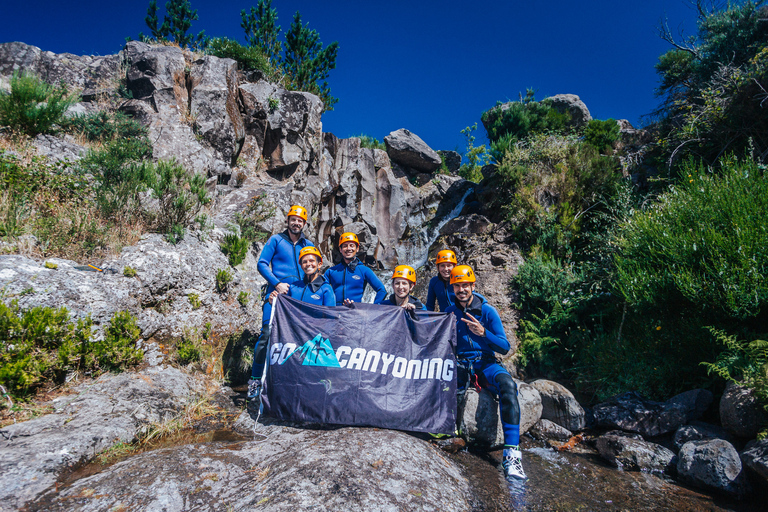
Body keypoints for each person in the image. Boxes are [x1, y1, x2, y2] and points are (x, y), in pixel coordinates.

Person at [444, 265, 526, 480]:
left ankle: (512, 455)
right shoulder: (450, 313)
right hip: (461, 364)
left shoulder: (488, 311)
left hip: (486, 364)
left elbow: (504, 347)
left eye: (465, 285)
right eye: (457, 286)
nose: (461, 290)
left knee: (509, 387)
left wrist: (484, 333)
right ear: (452, 288)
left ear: (473, 286)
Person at [248, 205, 314, 401]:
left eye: (300, 220)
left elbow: (313, 271)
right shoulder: (276, 240)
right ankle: (254, 381)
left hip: (298, 298)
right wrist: (276, 284)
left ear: (304, 223)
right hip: (275, 295)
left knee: (297, 340)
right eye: (293, 219)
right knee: (267, 334)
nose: (296, 223)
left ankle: (289, 382)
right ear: (288, 220)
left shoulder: (307, 244)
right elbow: (261, 264)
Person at [323, 232, 387, 306]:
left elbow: (382, 290)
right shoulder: (331, 272)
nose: (349, 248)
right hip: (336, 313)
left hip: (355, 314)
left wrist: (373, 309)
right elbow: (321, 291)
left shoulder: (364, 270)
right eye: (345, 246)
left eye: (351, 245)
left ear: (357, 248)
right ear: (340, 249)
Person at [267, 246, 335, 307]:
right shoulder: (293, 287)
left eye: (312, 261)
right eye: (304, 262)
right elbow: (284, 309)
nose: (308, 264)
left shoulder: (326, 289)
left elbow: (331, 316)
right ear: (301, 266)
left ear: (319, 264)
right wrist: (274, 301)